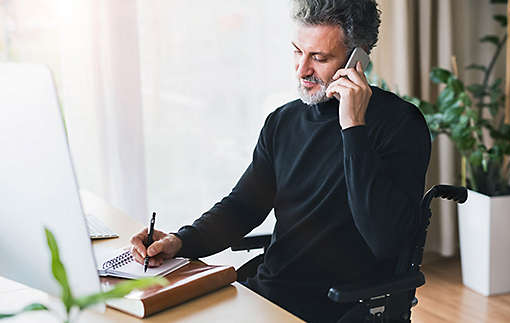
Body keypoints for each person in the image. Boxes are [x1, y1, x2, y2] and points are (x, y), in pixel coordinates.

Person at [130, 0, 431, 321]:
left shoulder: (401, 124)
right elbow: (243, 206)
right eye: (297, 51)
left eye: (319, 57)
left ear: (358, 59)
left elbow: (386, 240)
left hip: (340, 305)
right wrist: (179, 241)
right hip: (270, 291)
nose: (302, 69)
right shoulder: (282, 121)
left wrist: (353, 128)